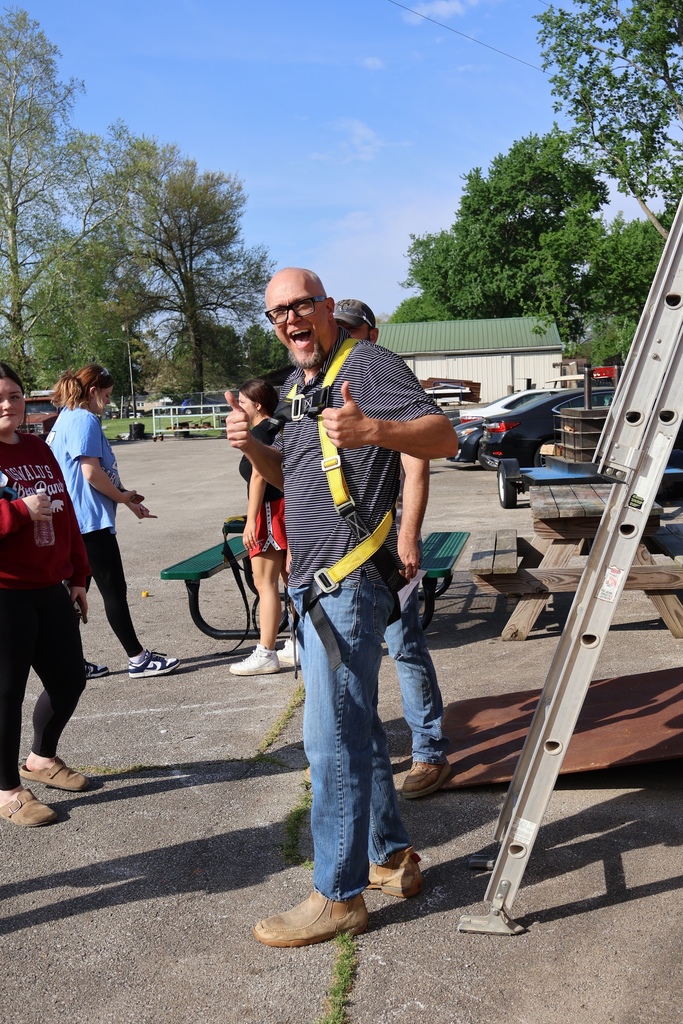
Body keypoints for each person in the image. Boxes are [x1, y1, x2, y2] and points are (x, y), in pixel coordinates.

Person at [226, 268, 457, 947]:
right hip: (314, 584)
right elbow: (289, 478)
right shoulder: (301, 384)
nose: (290, 320)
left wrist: (375, 430)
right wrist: (253, 449)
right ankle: (388, 859)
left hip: (348, 583)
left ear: (326, 307)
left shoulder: (369, 363)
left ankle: (338, 896)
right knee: (351, 734)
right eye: (277, 313)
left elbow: (441, 438)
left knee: (328, 745)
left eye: (301, 305)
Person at [333, 299, 450, 798]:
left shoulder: (385, 380)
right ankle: (359, 754)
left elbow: (418, 465)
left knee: (404, 647)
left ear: (372, 332)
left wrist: (408, 535)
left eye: (353, 331)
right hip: (342, 551)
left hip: (386, 547)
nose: (346, 339)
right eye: (339, 332)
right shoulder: (328, 385)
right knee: (348, 657)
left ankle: (428, 752)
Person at [0, 362, 90, 827]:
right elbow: (24, 512)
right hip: (5, 592)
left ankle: (39, 758)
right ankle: (7, 790)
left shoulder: (37, 446)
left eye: (14, 395)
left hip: (49, 586)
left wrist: (79, 573)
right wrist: (18, 511)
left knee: (70, 679)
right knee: (6, 694)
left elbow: (65, 512)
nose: (8, 404)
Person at [48, 365, 179, 680]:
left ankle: (68, 663)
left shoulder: (65, 418)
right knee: (113, 590)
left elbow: (105, 476)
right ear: (92, 393)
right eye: (106, 396)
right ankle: (138, 659)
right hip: (89, 523)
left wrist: (132, 503)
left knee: (75, 592)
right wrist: (122, 499)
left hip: (73, 520)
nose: (107, 403)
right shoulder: (84, 419)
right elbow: (91, 473)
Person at [230, 378, 296, 675]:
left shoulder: (263, 432)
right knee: (290, 581)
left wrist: (250, 521)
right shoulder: (280, 426)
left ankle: (266, 651)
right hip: (283, 509)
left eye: (243, 403)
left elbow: (259, 475)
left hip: (270, 511)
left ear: (257, 405)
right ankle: (297, 642)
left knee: (265, 583)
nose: (239, 409)